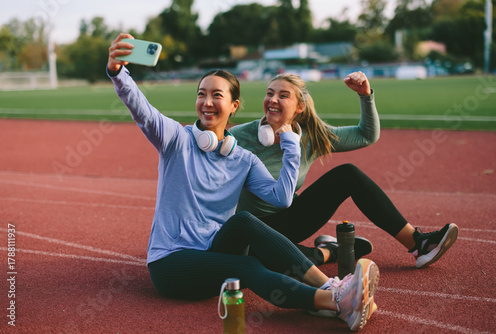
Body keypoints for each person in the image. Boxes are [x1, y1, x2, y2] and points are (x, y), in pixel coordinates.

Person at [107, 33, 379, 331]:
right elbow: (141, 110)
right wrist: (119, 72)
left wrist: (290, 144)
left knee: (244, 221)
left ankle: (330, 287)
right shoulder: (176, 139)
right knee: (247, 267)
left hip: (212, 250)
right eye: (201, 94)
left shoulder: (243, 159)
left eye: (217, 95)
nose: (207, 102)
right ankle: (335, 301)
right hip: (172, 263)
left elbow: (282, 198)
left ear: (234, 105)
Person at [230, 72, 459, 269]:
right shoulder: (240, 135)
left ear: (300, 107)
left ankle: (418, 243)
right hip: (250, 228)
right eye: (269, 93)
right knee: (257, 258)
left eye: (283, 95)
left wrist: (365, 95)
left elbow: (366, 135)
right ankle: (331, 251)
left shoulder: (310, 137)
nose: (272, 100)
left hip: (288, 223)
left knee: (348, 174)